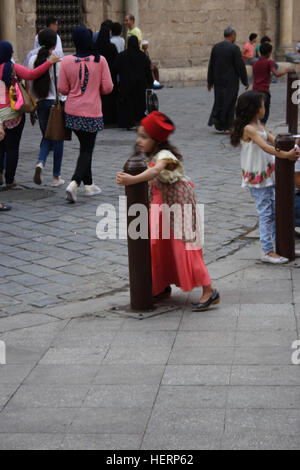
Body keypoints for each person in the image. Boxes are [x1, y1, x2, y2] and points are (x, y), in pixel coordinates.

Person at [116, 111, 220, 311]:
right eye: (139, 135)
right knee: (158, 246)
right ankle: (161, 285)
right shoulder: (152, 156)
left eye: (144, 137)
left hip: (178, 205)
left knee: (185, 248)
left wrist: (131, 180)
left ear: (156, 139)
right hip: (161, 204)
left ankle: (209, 290)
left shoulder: (165, 155)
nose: (139, 141)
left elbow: (155, 171)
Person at [231, 91, 300, 264]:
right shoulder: (248, 129)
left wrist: (293, 142)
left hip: (268, 175)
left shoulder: (260, 125)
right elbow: (265, 147)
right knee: (266, 213)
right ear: (254, 108)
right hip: (258, 179)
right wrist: (285, 154)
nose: (264, 108)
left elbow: (274, 140)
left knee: (276, 211)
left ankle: (283, 246)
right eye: (262, 105)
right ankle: (267, 251)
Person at [58, 26, 113, 203]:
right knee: (87, 149)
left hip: (72, 112)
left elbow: (62, 89)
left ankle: (89, 185)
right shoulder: (100, 60)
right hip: (92, 111)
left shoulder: (66, 61)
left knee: (85, 147)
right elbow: (107, 88)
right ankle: (74, 183)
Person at [0, 41, 60, 189]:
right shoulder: (12, 67)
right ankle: (9, 180)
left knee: (0, 148)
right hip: (13, 114)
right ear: (10, 53)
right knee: (12, 147)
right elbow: (32, 74)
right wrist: (49, 62)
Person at [28, 29, 66, 187]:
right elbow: (62, 86)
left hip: (40, 103)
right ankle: (56, 177)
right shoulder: (57, 60)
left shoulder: (33, 59)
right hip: (55, 103)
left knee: (46, 137)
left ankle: (41, 162)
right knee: (57, 140)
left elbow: (29, 83)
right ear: (55, 43)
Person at [208, 27, 249, 134]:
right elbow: (240, 66)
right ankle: (227, 126)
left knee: (220, 100)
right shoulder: (234, 48)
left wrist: (210, 81)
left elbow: (211, 65)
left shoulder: (216, 47)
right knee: (230, 102)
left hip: (218, 80)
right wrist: (245, 80)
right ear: (233, 35)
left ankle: (219, 124)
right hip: (231, 80)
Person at [114, 36, 153, 130]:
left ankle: (128, 122)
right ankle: (138, 121)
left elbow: (114, 69)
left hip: (125, 85)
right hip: (140, 85)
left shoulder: (121, 56)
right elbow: (148, 71)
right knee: (139, 103)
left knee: (127, 103)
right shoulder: (142, 56)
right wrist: (150, 83)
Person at [253, 43, 291, 125]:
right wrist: (285, 71)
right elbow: (276, 74)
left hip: (255, 89)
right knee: (265, 109)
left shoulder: (255, 63)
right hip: (264, 90)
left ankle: (257, 126)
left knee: (257, 109)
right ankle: (263, 127)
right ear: (268, 53)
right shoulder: (269, 62)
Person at [94, 25, 118, 125]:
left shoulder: (95, 47)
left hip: (97, 76)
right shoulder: (112, 47)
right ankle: (111, 119)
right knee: (111, 98)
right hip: (110, 75)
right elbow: (116, 61)